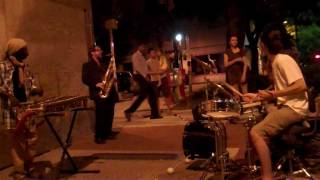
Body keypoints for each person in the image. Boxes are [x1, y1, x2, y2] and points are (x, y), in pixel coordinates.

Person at [243, 24, 308, 180]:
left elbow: (301, 85)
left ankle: (267, 176)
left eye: (259, 44)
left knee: (256, 132)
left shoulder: (282, 60)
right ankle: (266, 164)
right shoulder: (276, 61)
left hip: (295, 109)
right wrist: (256, 96)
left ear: (263, 46)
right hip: (288, 106)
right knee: (256, 121)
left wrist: (273, 94)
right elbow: (282, 87)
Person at [0, 38, 38, 179]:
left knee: (32, 139)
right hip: (11, 109)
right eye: (24, 49)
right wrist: (9, 95)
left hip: (27, 107)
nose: (27, 52)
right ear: (16, 51)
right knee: (17, 142)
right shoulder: (2, 67)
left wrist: (36, 89)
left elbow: (30, 85)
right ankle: (20, 171)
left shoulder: (25, 67)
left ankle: (31, 166)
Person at [82, 45, 119, 144]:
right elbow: (85, 79)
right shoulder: (87, 65)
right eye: (98, 50)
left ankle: (108, 132)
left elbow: (108, 76)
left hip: (109, 91)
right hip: (98, 92)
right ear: (92, 53)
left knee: (109, 112)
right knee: (100, 114)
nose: (101, 52)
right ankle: (99, 136)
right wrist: (95, 84)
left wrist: (112, 79)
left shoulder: (104, 64)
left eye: (100, 50)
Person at [124, 44, 162, 120]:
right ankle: (129, 111)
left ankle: (155, 114)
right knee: (143, 94)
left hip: (144, 76)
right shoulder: (135, 55)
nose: (144, 48)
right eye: (142, 47)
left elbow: (144, 68)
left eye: (144, 47)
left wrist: (148, 75)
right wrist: (145, 77)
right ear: (139, 47)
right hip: (140, 76)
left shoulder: (142, 56)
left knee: (151, 93)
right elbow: (138, 68)